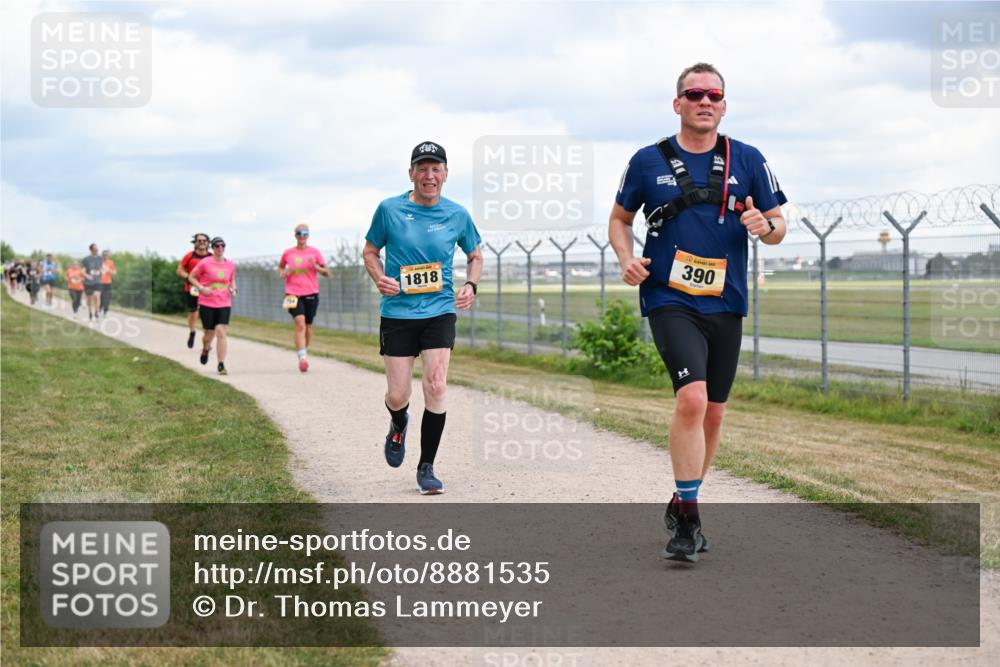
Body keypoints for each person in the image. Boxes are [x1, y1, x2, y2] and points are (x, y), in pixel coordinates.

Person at [608, 63, 787, 563]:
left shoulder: (748, 159)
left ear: (724, 105)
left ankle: (682, 493)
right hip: (669, 296)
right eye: (694, 94)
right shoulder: (647, 161)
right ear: (678, 103)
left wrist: (763, 225)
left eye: (713, 95)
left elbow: (778, 226)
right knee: (691, 398)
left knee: (713, 412)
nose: (704, 101)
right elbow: (620, 220)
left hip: (726, 301)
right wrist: (626, 259)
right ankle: (689, 521)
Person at [363, 141, 483, 495]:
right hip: (398, 313)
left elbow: (475, 254)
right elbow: (370, 251)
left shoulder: (457, 214)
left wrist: (471, 284)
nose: (429, 176)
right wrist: (378, 276)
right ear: (411, 173)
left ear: (445, 174)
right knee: (398, 394)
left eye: (436, 169)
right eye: (422, 168)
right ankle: (398, 422)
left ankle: (426, 467)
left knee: (436, 384)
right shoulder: (389, 209)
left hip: (439, 311)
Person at [279, 224, 330, 372]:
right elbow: (281, 267)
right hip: (291, 293)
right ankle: (302, 358)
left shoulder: (314, 252)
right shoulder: (288, 253)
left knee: (308, 327)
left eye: (305, 233)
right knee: (299, 323)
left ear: (308, 235)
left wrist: (316, 267)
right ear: (295, 235)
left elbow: (327, 272)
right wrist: (282, 272)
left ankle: (303, 351)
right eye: (299, 233)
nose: (302, 236)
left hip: (311, 293)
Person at [188, 237, 237, 375]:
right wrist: (201, 288)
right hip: (207, 302)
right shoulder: (205, 263)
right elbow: (191, 277)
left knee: (221, 331)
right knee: (208, 333)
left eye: (222, 245)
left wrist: (234, 289)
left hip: (224, 302)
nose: (220, 248)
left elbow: (232, 280)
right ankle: (206, 348)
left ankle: (221, 364)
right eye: (217, 246)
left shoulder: (230, 265)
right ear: (212, 247)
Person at [177, 233, 212, 348]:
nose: (202, 242)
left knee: (207, 314)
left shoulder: (212, 257)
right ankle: (192, 332)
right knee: (193, 312)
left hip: (206, 289)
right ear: (195, 242)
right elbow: (179, 271)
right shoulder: (189, 256)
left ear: (208, 242)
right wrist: (189, 277)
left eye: (204, 240)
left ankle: (207, 339)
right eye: (199, 240)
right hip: (192, 288)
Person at [81, 244, 103, 322]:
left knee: (97, 296)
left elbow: (101, 268)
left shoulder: (100, 258)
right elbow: (82, 272)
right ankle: (90, 314)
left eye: (97, 249)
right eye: (94, 249)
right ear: (91, 250)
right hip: (88, 282)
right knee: (90, 300)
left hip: (97, 281)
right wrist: (87, 276)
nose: (96, 251)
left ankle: (97, 313)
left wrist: (101, 272)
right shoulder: (86, 259)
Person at [99, 249, 117, 316]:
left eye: (106, 255)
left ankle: (105, 312)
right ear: (102, 255)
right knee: (101, 297)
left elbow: (114, 272)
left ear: (108, 256)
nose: (105, 256)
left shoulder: (111, 262)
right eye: (104, 255)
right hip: (99, 283)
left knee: (107, 298)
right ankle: (99, 310)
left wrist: (108, 270)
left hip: (108, 283)